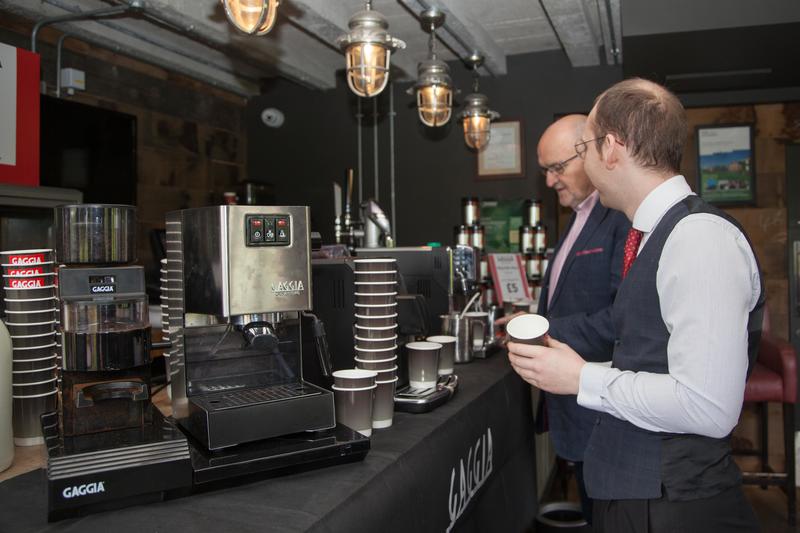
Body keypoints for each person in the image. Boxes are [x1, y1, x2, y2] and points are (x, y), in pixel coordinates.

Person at [507, 79, 763, 532]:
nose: (584, 161)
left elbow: (708, 406)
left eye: (584, 147)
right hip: (632, 491)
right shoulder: (654, 234)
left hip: (672, 504)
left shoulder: (699, 238)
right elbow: (652, 357)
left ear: (610, 148)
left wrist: (581, 377)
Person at [508, 114, 630, 523]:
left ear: (591, 153)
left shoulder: (621, 218)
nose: (549, 180)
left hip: (605, 416)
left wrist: (541, 332)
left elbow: (621, 321)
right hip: (578, 412)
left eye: (557, 167)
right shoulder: (579, 217)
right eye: (545, 170)